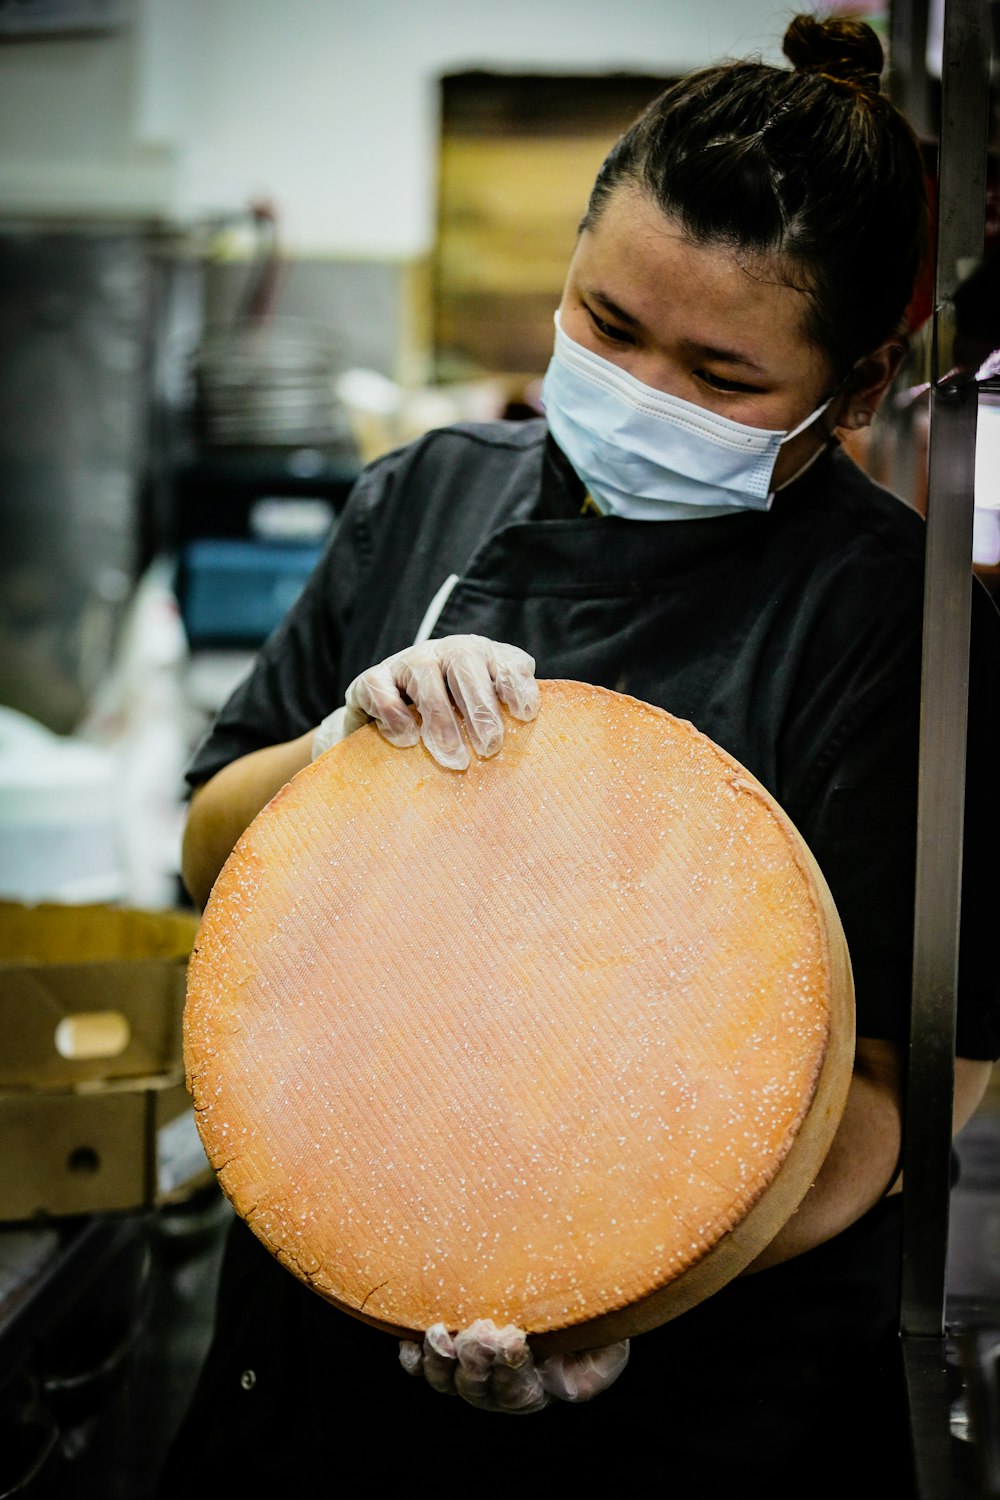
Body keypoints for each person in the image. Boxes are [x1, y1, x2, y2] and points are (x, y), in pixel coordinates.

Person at [158, 14, 1000, 1498]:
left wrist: (605, 1285)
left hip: (697, 1400)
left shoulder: (894, 625)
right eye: (608, 326)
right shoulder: (428, 497)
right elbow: (207, 855)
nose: (642, 394)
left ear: (857, 389)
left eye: (723, 373)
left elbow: (901, 1094)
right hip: (317, 1341)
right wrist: (338, 742)